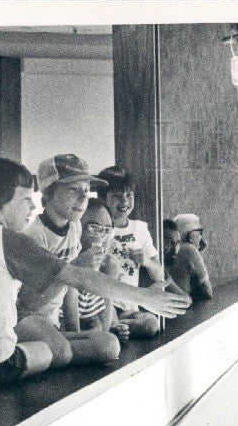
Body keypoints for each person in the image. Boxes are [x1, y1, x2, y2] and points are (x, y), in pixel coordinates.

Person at [0, 157, 188, 395]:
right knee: (55, 353)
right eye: (24, 201)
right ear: (1, 203)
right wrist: (141, 296)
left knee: (87, 344)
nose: (31, 209)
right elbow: (79, 278)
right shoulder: (11, 240)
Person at [15, 154, 121, 366]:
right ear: (49, 194)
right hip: (23, 319)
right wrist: (72, 269)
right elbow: (29, 301)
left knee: (108, 343)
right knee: (90, 349)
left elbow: (70, 290)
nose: (83, 198)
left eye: (86, 189)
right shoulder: (34, 236)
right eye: (73, 189)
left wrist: (74, 330)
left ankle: (40, 356)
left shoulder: (75, 227)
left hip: (51, 322)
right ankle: (20, 356)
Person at [96, 166, 169, 339]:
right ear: (102, 198)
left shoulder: (140, 228)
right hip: (102, 303)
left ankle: (115, 328)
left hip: (130, 307)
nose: (124, 202)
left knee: (151, 324)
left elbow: (159, 275)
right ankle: (111, 327)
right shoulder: (97, 227)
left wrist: (146, 261)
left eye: (129, 195)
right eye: (116, 196)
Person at [77, 199, 130, 343]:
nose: (101, 237)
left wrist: (112, 329)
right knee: (108, 346)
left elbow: (102, 324)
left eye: (107, 230)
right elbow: (69, 331)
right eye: (94, 228)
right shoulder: (70, 269)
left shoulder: (101, 271)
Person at [163, 218, 213, 300]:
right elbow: (207, 292)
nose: (200, 237)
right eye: (199, 232)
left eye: (177, 242)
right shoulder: (189, 249)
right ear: (190, 235)